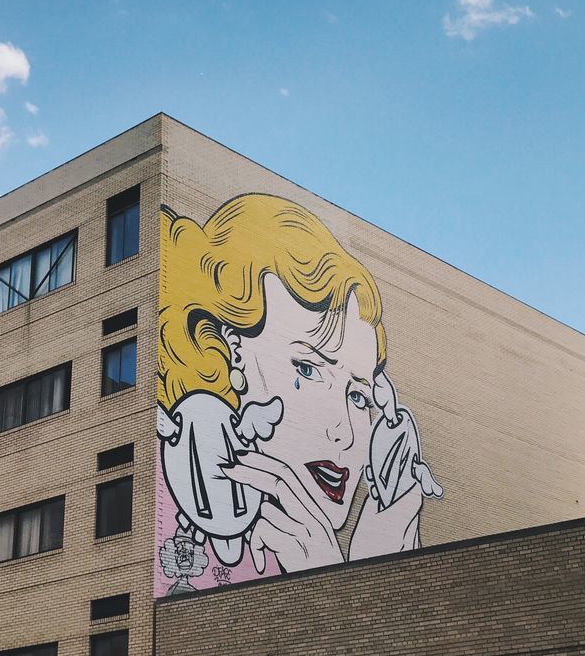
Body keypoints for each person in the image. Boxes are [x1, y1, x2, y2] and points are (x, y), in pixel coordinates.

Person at [156, 193, 441, 586]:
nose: (344, 432)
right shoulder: (176, 503)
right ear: (227, 352)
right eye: (308, 369)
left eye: (357, 396)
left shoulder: (327, 547)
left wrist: (375, 577)